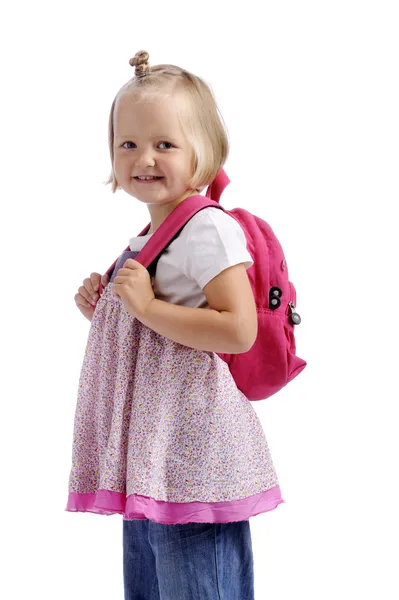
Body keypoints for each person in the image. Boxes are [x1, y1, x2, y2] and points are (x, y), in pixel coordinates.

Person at [66, 49, 285, 600]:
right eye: (129, 144)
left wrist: (145, 308)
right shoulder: (149, 233)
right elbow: (160, 327)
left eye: (165, 144)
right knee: (153, 583)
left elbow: (237, 329)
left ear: (203, 154)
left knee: (195, 580)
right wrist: (110, 311)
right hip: (152, 451)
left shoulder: (206, 229)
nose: (145, 157)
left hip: (191, 448)